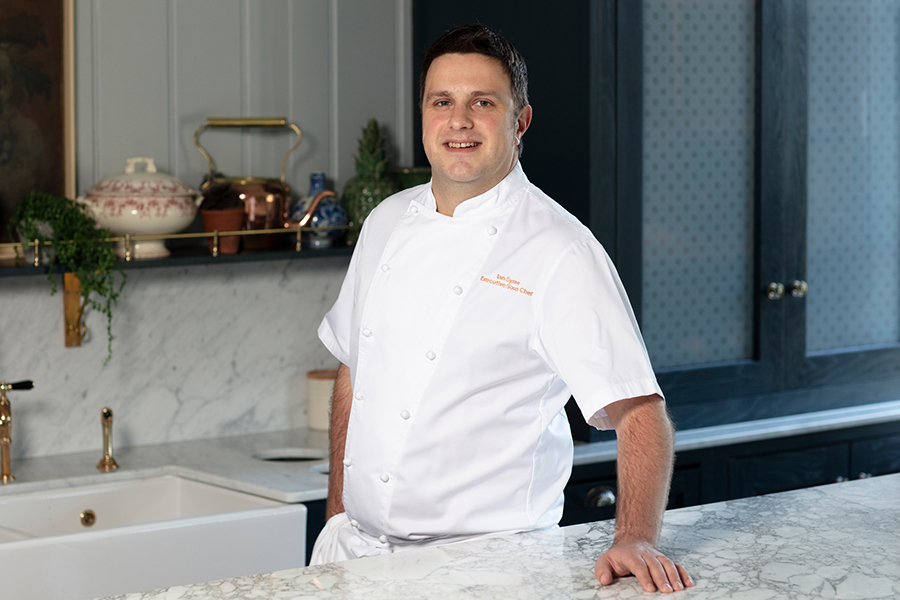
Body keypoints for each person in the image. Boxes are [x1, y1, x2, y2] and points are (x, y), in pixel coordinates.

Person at [312, 23, 694, 594]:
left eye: (483, 103)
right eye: (442, 102)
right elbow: (353, 367)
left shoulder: (560, 248)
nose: (459, 121)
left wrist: (635, 536)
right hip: (355, 558)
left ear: (521, 122)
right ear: (424, 115)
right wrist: (338, 512)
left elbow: (640, 411)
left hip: (488, 572)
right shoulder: (386, 221)